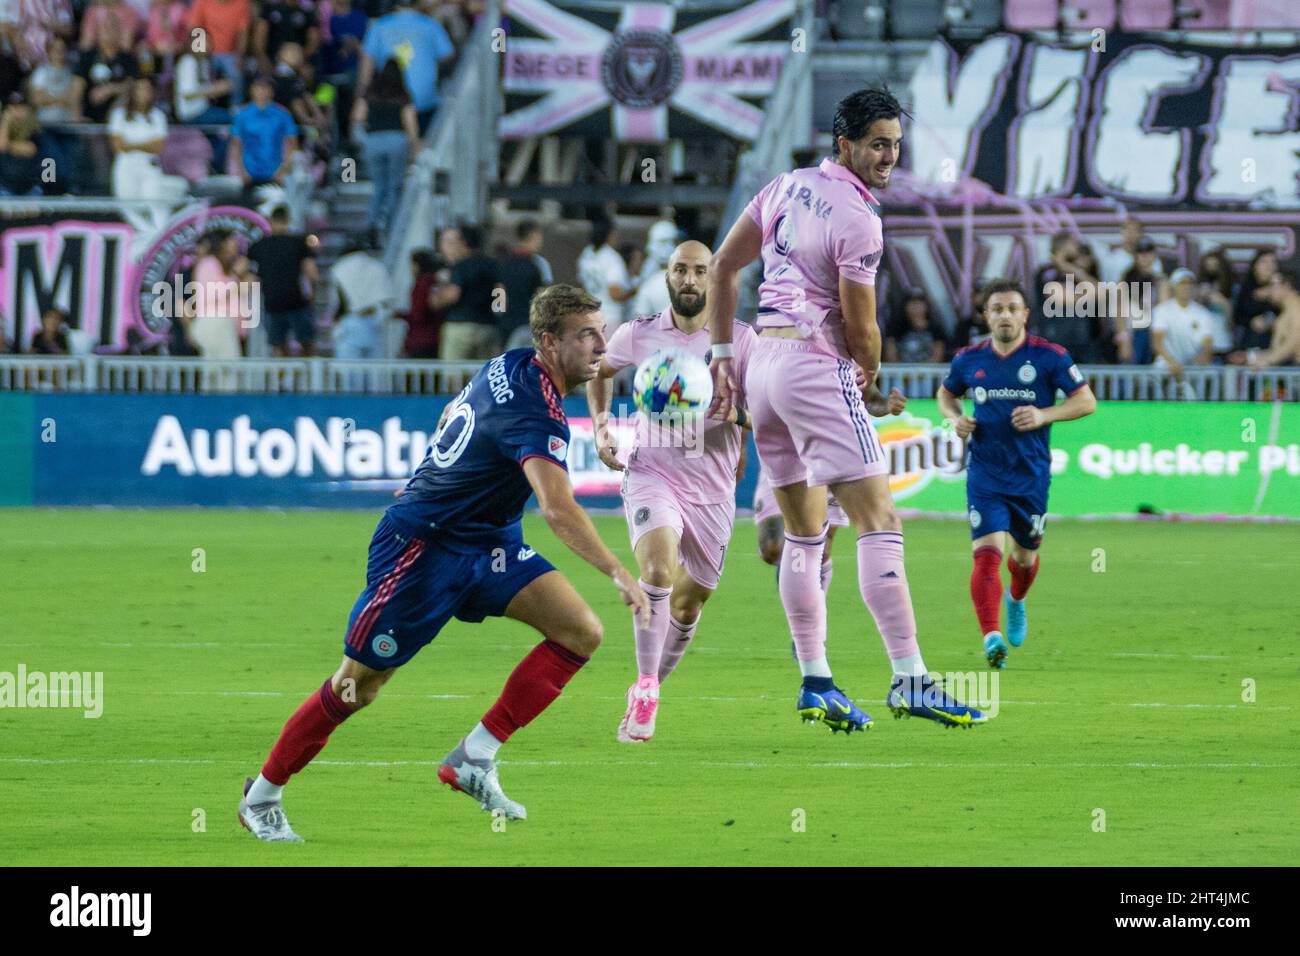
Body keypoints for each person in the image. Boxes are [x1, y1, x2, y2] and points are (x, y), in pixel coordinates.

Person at [238, 283, 649, 840]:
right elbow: (557, 510)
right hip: (423, 551)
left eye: (603, 332)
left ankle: (474, 758)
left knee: (579, 632)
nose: (601, 346)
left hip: (489, 541)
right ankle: (262, 795)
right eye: (587, 335)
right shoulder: (539, 414)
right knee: (357, 687)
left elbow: (450, 415)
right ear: (550, 342)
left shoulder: (511, 362)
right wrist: (621, 573)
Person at [706, 86, 987, 731]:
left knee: (806, 533)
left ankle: (816, 680)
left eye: (895, 145)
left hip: (763, 369)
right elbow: (862, 330)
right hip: (812, 365)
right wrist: (868, 379)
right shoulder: (861, 218)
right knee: (878, 518)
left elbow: (723, 267)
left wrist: (725, 357)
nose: (889, 157)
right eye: (877, 144)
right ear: (847, 145)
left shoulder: (786, 184)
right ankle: (911, 679)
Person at [585, 241, 754, 742]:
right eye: (680, 269)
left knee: (689, 603)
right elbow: (600, 370)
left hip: (714, 487)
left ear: (714, 280)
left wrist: (739, 417)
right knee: (658, 570)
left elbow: (772, 408)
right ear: (666, 276)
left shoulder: (741, 341)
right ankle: (645, 690)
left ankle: (652, 680)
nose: (689, 279)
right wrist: (600, 425)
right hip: (652, 472)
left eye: (700, 271)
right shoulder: (639, 334)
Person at [936, 279, 1097, 668]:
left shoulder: (1050, 357)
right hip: (985, 473)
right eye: (997, 309)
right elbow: (945, 394)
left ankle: (1017, 600)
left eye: (1012, 308)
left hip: (1031, 476)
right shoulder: (968, 359)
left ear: (1025, 315)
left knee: (1023, 559)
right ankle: (991, 637)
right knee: (986, 556)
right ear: (986, 315)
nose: (1005, 315)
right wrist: (955, 419)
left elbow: (1087, 401)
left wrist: (1045, 414)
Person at [359, 0, 454, 135]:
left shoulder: (379, 26)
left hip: (391, 104)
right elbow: (448, 55)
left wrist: (362, 97)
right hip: (425, 102)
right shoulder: (430, 24)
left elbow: (366, 65)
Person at [353, 58, 417, 239]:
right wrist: (415, 148)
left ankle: (371, 226)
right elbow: (410, 124)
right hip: (397, 139)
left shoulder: (370, 93)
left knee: (378, 187)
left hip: (373, 141)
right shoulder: (402, 95)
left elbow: (358, 117)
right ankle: (392, 228)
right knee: (394, 187)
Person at [247, 204, 318, 356]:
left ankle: (282, 378)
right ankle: (307, 376)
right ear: (287, 220)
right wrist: (312, 293)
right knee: (307, 342)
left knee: (278, 346)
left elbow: (245, 272)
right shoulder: (299, 242)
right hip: (296, 299)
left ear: (270, 221)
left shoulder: (259, 246)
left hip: (272, 301)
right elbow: (312, 273)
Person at [107, 76, 188, 202]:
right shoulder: (118, 115)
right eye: (139, 89)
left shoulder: (158, 116)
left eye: (147, 89)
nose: (143, 93)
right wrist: (146, 144)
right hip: (125, 166)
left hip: (149, 166)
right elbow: (118, 146)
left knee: (153, 202)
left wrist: (130, 145)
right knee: (128, 205)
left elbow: (158, 147)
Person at [434, 223, 501, 361]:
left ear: (463, 243)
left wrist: (437, 299)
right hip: (487, 325)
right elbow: (500, 294)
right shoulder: (492, 265)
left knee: (455, 377)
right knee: (483, 375)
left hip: (459, 325)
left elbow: (454, 293)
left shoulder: (461, 266)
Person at [329, 233, 392, 364]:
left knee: (350, 374)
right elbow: (386, 300)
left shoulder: (339, 268)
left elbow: (339, 302)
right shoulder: (378, 267)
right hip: (373, 320)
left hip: (351, 321)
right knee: (372, 372)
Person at [230, 73, 297, 196]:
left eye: (267, 88)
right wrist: (241, 171)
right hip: (249, 172)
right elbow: (236, 145)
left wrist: (283, 170)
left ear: (272, 91)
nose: (263, 91)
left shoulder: (282, 114)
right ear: (251, 90)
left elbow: (292, 144)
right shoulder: (242, 115)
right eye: (259, 87)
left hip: (275, 173)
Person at [1152, 268, 1215, 390]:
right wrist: (1171, 362)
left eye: (1189, 283)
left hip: (1193, 366)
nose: (1186, 287)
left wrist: (1201, 359)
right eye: (1182, 283)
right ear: (1174, 286)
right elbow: (1158, 341)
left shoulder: (1203, 313)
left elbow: (1207, 343)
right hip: (1166, 365)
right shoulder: (1162, 310)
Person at [577, 216, 635, 337]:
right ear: (609, 234)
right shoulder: (611, 257)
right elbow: (615, 294)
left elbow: (582, 286)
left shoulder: (586, 254)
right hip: (609, 319)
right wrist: (636, 291)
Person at [187, 0, 252, 107]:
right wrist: (201, 45)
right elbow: (194, 28)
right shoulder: (202, 2)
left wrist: (240, 56)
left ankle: (236, 109)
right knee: (198, 70)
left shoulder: (241, 3)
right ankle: (203, 108)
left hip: (231, 53)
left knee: (236, 74)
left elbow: (243, 32)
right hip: (206, 52)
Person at [496, 219, 548, 351]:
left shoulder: (504, 263)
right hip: (528, 324)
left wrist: (500, 317)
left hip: (507, 325)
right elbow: (541, 296)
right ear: (533, 236)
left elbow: (499, 293)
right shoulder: (537, 264)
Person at [78, 19, 137, 123]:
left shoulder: (128, 58)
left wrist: (110, 89)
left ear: (119, 33)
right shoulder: (87, 56)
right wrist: (76, 114)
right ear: (98, 33)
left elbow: (132, 84)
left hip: (119, 114)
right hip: (89, 110)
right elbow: (76, 84)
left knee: (126, 96)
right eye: (105, 28)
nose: (109, 31)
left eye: (113, 28)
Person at [1247, 272, 1300, 367]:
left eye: (1272, 285)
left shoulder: (1297, 307)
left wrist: (1268, 360)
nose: (1269, 291)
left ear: (1287, 286)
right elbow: (1279, 348)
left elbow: (1294, 341)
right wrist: (1260, 356)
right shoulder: (1286, 312)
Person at [401, 247, 443, 358]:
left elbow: (419, 313)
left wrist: (401, 315)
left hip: (421, 340)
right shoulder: (434, 281)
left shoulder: (423, 284)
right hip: (434, 337)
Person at [884, 290, 947, 364]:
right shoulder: (896, 328)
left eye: (919, 303)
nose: (915, 307)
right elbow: (891, 353)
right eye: (912, 303)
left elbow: (938, 354)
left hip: (929, 373)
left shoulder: (936, 329)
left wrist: (922, 371)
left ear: (926, 306)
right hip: (901, 373)